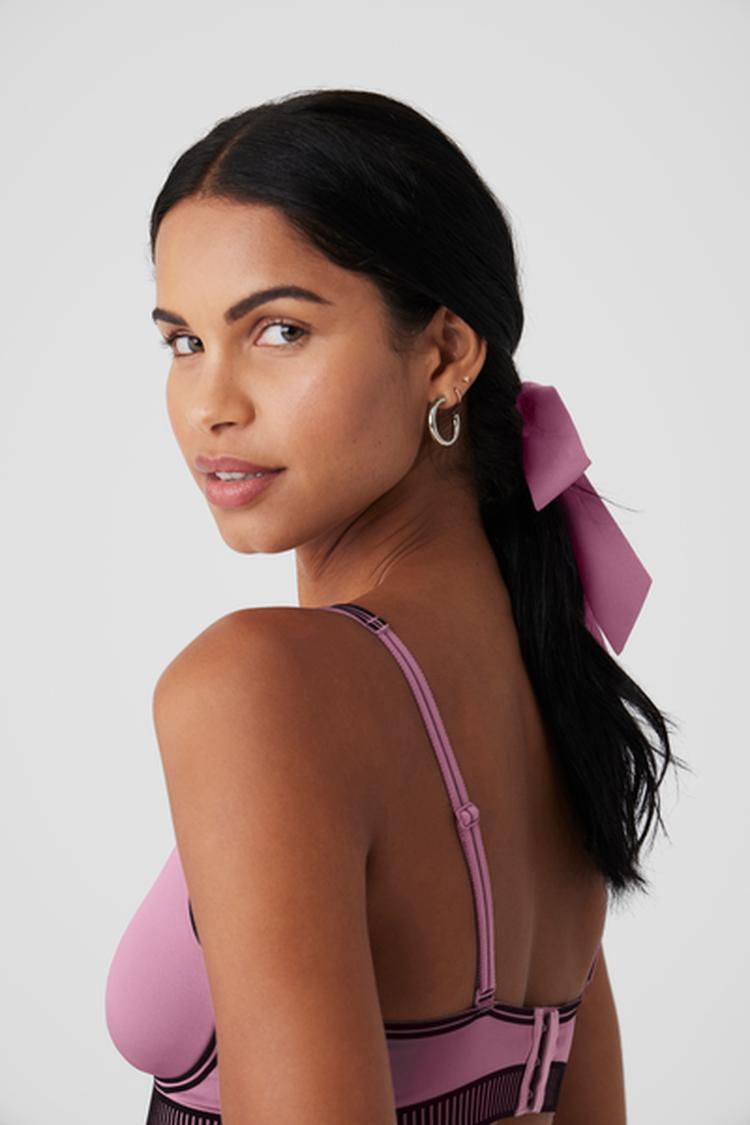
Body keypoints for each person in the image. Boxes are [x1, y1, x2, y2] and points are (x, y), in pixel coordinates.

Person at [105, 88, 682, 1125]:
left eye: (279, 330)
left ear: (446, 354)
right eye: (183, 342)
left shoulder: (260, 683)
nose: (210, 405)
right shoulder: (550, 676)